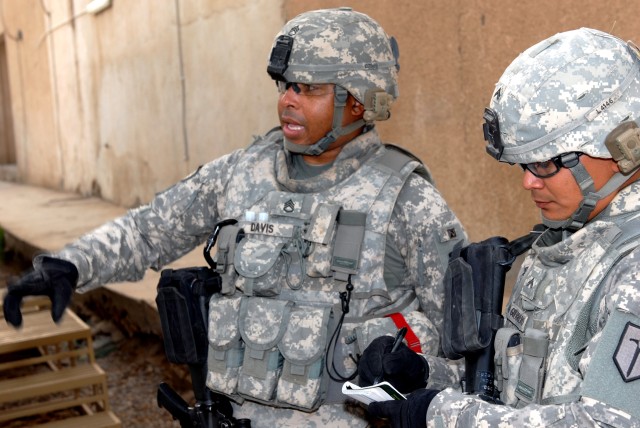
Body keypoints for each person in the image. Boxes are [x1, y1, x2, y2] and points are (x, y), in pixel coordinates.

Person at [2, 7, 467, 427]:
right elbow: (148, 231)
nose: (288, 100)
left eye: (308, 89)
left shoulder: (408, 203)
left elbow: (467, 355)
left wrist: (417, 370)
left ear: (359, 102)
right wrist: (71, 265)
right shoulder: (241, 174)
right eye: (285, 85)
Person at [360, 27, 640, 427]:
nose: (529, 182)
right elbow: (513, 392)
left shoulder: (631, 266)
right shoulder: (566, 242)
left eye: (546, 164)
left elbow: (606, 422)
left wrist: (436, 414)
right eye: (525, 166)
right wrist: (422, 376)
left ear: (619, 147)